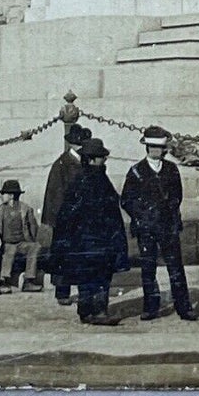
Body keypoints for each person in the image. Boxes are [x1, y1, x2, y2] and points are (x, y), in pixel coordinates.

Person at [119, 125, 196, 321]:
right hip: (146, 227)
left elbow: (177, 195)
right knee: (148, 268)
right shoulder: (136, 171)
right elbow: (126, 200)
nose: (156, 151)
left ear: (164, 150)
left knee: (176, 267)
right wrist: (142, 214)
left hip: (168, 226)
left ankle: (183, 307)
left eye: (159, 148)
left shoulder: (171, 169)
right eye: (152, 147)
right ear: (146, 148)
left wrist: (169, 208)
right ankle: (151, 307)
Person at [51, 137, 129, 325]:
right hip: (98, 240)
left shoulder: (81, 179)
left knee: (86, 277)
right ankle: (99, 312)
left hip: (84, 242)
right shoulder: (96, 180)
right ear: (92, 159)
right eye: (102, 157)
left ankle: (85, 312)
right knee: (101, 277)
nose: (105, 161)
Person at [42, 123, 93, 305]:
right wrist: (58, 219)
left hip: (84, 219)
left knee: (81, 256)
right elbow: (54, 194)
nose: (81, 146)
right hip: (66, 220)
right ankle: (62, 293)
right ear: (71, 144)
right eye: (78, 143)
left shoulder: (86, 162)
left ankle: (83, 290)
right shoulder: (62, 164)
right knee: (63, 257)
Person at [0, 179, 42, 293]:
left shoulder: (26, 209)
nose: (1, 196)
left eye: (3, 194)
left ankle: (28, 280)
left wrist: (33, 241)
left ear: (11, 195)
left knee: (35, 247)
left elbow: (33, 228)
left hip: (22, 243)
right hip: (6, 243)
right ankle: (4, 281)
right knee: (10, 250)